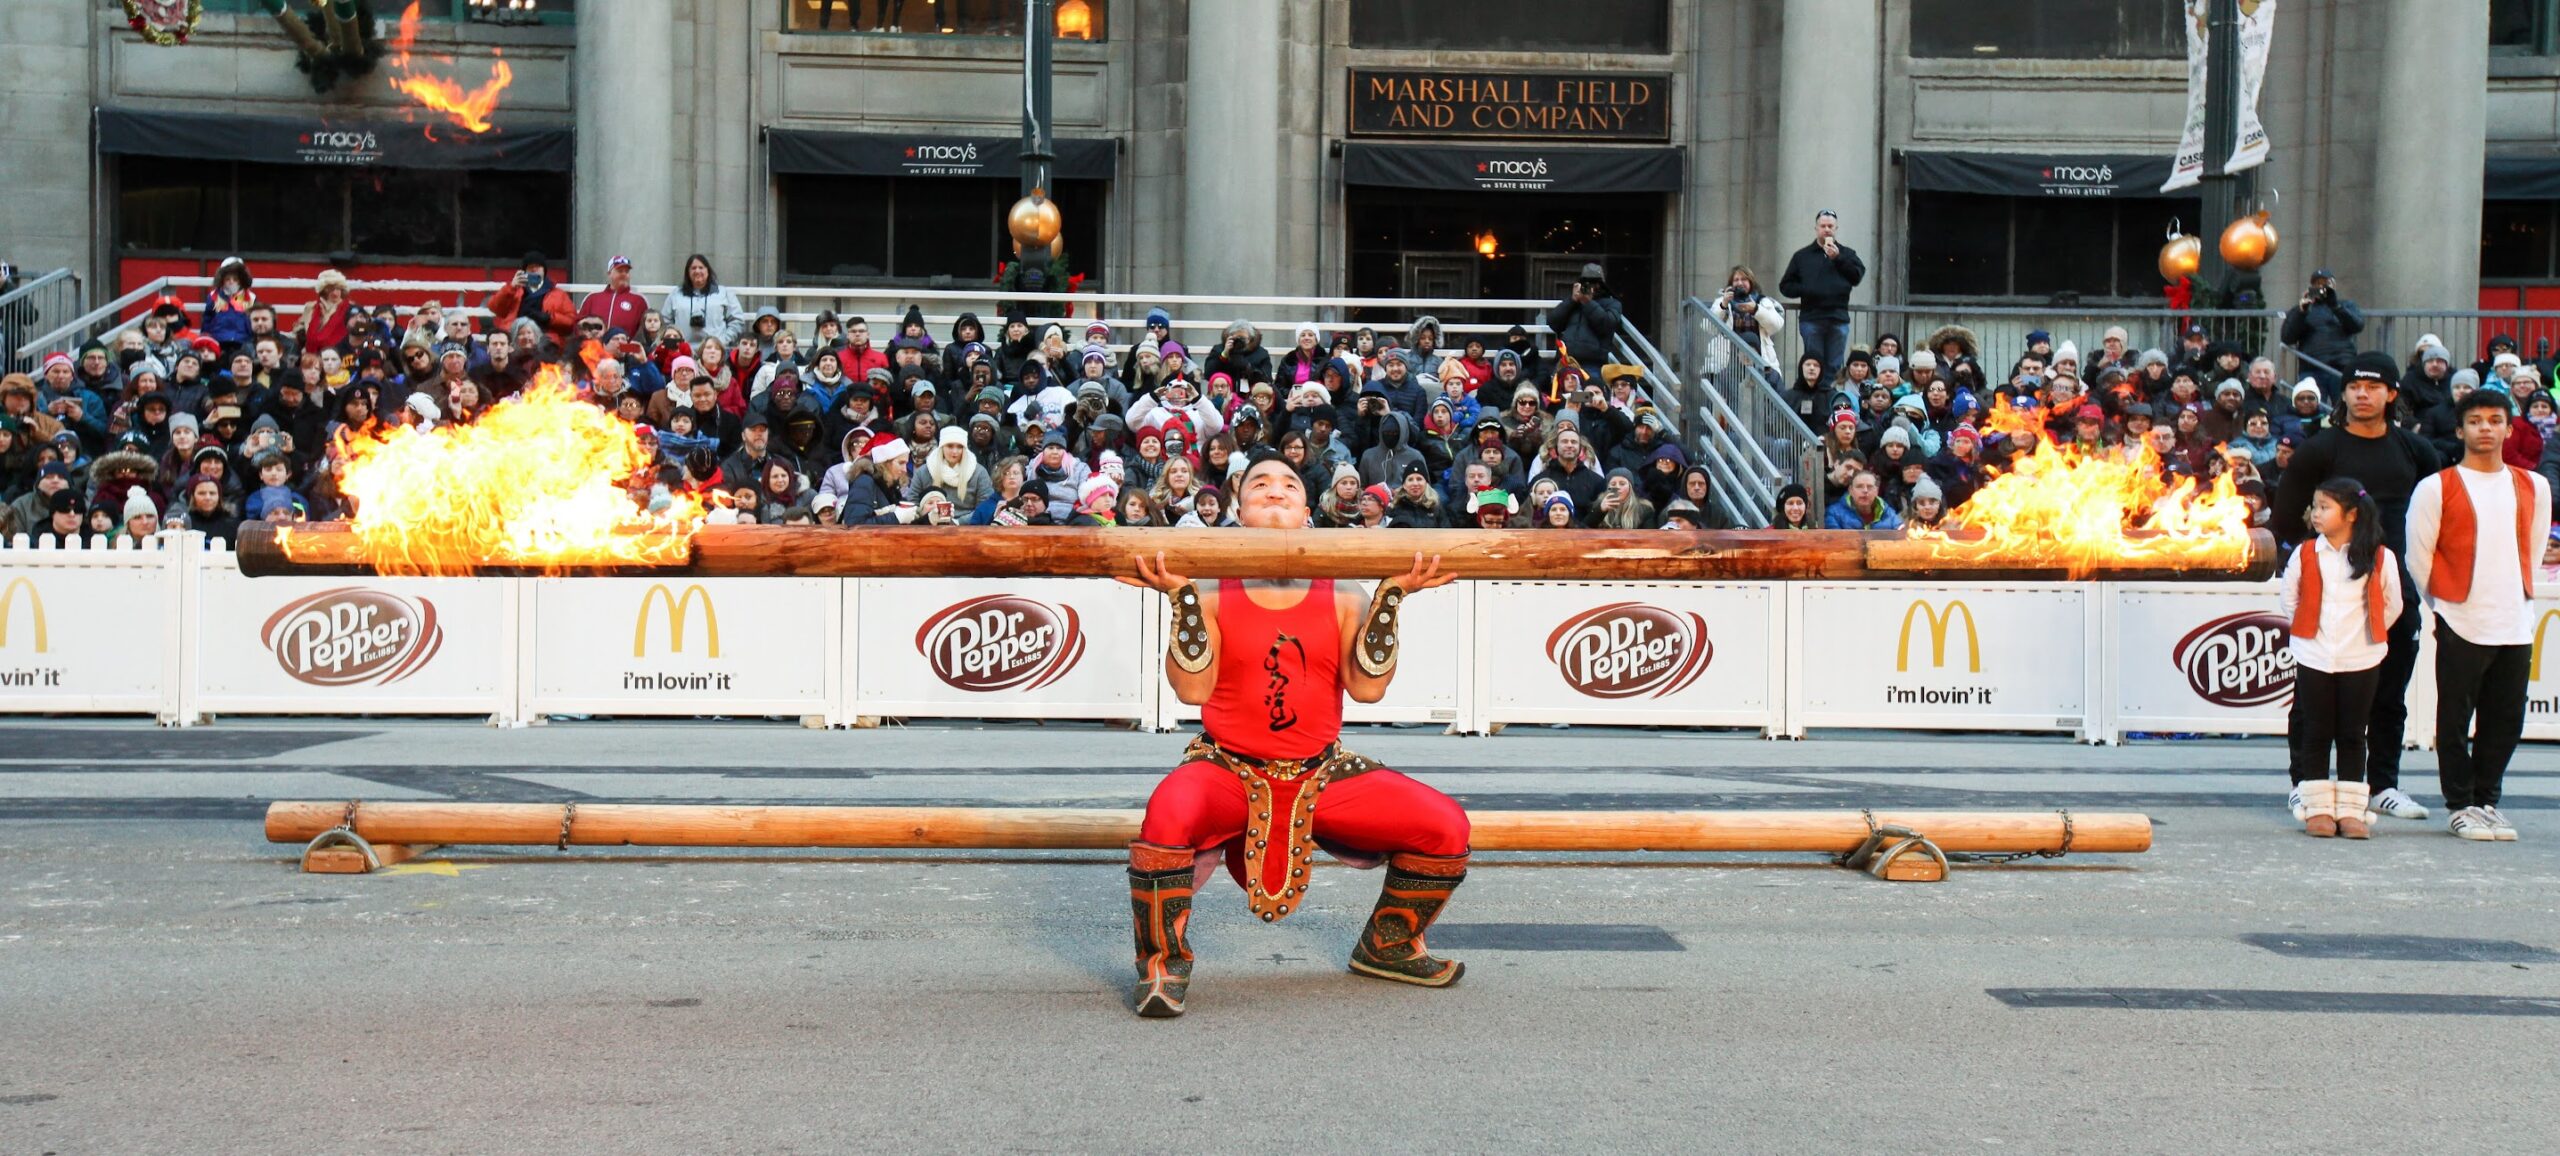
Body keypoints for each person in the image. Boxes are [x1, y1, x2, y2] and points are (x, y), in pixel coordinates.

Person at [1114, 454, 1471, 1018]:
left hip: (1320, 773)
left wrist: (1392, 596)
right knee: (1167, 814)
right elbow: (1190, 690)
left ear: (1308, 512)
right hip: (1227, 769)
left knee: (1446, 826)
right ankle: (1163, 964)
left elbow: (1368, 689)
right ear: (1238, 509)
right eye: (1260, 485)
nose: (1275, 491)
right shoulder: (1207, 588)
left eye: (1288, 485)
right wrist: (1180, 598)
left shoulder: (1344, 592)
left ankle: (1390, 945)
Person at [2271, 352, 2442, 822]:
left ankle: (2382, 785)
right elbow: (2286, 517)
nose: (2362, 394)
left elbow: (2437, 519)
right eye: (2353, 386)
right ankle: (2304, 786)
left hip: (2394, 589)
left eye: (2373, 387)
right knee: (2312, 701)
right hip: (2326, 596)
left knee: (2388, 695)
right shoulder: (2319, 449)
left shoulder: (2416, 451)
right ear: (2342, 394)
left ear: (2392, 394)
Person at [2406, 389, 2551, 842]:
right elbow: (2419, 558)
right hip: (2459, 616)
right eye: (2475, 420)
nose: (2485, 428)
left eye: (2494, 420)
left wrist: (2518, 599)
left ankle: (2488, 800)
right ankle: (2460, 804)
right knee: (2454, 717)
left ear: (2509, 428)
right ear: (2459, 429)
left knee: (2506, 718)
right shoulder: (2436, 487)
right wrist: (2445, 605)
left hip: (2514, 616)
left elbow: (2533, 544)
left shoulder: (2535, 486)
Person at [2280, 478, 2403, 839]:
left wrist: (2365, 638)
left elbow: (2392, 603)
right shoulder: (2305, 554)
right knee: (2316, 731)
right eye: (2315, 507)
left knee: (2352, 733)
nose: (2316, 514)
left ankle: (2351, 810)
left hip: (2362, 656)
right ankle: (2317, 808)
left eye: (2324, 507)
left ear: (2351, 514)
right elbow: (2290, 600)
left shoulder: (2380, 556)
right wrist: (2309, 635)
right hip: (2314, 655)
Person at [1779, 210, 1866, 381]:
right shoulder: (1802, 256)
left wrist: (1838, 258)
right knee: (1813, 364)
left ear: (1836, 229)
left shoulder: (1847, 253)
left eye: (1830, 226)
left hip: (1838, 318)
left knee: (1834, 365)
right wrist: (1807, 289)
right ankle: (1814, 400)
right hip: (1812, 318)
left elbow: (1856, 276)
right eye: (1823, 226)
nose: (1827, 230)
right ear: (1816, 228)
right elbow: (1785, 286)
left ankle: (1828, 401)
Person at [2280, 268, 2364, 395]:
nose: (2321, 287)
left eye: (2325, 283)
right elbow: (2287, 337)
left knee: (2344, 407)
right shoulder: (2302, 309)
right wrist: (2301, 312)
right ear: (2310, 287)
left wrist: (2336, 307)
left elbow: (2357, 326)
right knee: (2314, 408)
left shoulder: (2345, 305)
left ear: (2333, 286)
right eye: (2317, 284)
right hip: (2312, 368)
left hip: (2341, 366)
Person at [1543, 262, 1624, 371]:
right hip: (1565, 360)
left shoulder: (1612, 303)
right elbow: (1553, 322)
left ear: (1600, 285)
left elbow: (1607, 326)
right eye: (1586, 282)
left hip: (1593, 363)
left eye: (1594, 282)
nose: (1590, 286)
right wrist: (1572, 300)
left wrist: (1588, 302)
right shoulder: (1573, 302)